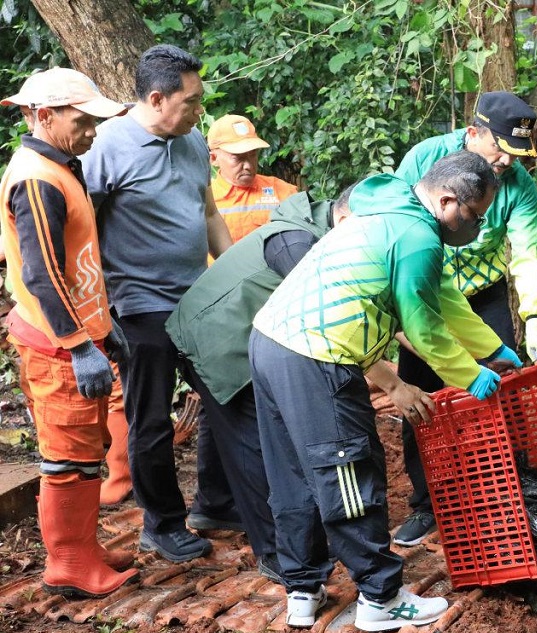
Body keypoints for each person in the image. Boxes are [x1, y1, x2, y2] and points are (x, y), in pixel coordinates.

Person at [249, 150, 521, 630]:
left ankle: (302, 587)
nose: (476, 229)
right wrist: (470, 375)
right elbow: (424, 326)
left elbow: (443, 296)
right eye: (474, 217)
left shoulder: (392, 208)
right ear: (446, 199)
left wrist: (492, 346)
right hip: (320, 354)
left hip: (272, 340)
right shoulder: (418, 236)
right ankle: (381, 598)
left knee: (293, 472)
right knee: (350, 474)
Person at [81, 44, 235, 564]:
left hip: (196, 298)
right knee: (151, 419)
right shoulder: (105, 145)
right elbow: (82, 228)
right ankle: (162, 525)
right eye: (191, 101)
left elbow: (210, 212)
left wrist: (233, 277)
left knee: (229, 395)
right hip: (137, 303)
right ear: (156, 98)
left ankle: (216, 502)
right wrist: (98, 307)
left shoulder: (190, 141)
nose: (200, 110)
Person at [391, 91, 537, 546]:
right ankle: (427, 504)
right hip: (424, 289)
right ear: (472, 134)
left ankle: (499, 497)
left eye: (517, 153)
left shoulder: (518, 183)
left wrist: (536, 316)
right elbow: (397, 225)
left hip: (481, 296)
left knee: (498, 390)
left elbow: (526, 251)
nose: (506, 162)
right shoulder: (426, 159)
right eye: (499, 149)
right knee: (423, 394)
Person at [165, 188, 352, 583]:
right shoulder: (298, 243)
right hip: (217, 340)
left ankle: (215, 505)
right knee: (259, 444)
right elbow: (330, 314)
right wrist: (393, 379)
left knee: (229, 429)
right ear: (349, 216)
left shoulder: (316, 228)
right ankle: (277, 552)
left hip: (232, 332)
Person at [0, 67, 139, 597]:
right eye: (82, 121)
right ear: (45, 116)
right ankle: (68, 562)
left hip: (77, 332)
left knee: (83, 449)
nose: (92, 132)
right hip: (56, 343)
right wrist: (80, 343)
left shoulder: (60, 165)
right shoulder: (37, 177)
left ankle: (82, 545)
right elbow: (42, 272)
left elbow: (77, 259)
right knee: (68, 454)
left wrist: (106, 326)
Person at [207, 113, 298, 242]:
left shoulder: (282, 191)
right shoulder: (205, 199)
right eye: (237, 157)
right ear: (213, 159)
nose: (248, 165)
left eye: (253, 155)